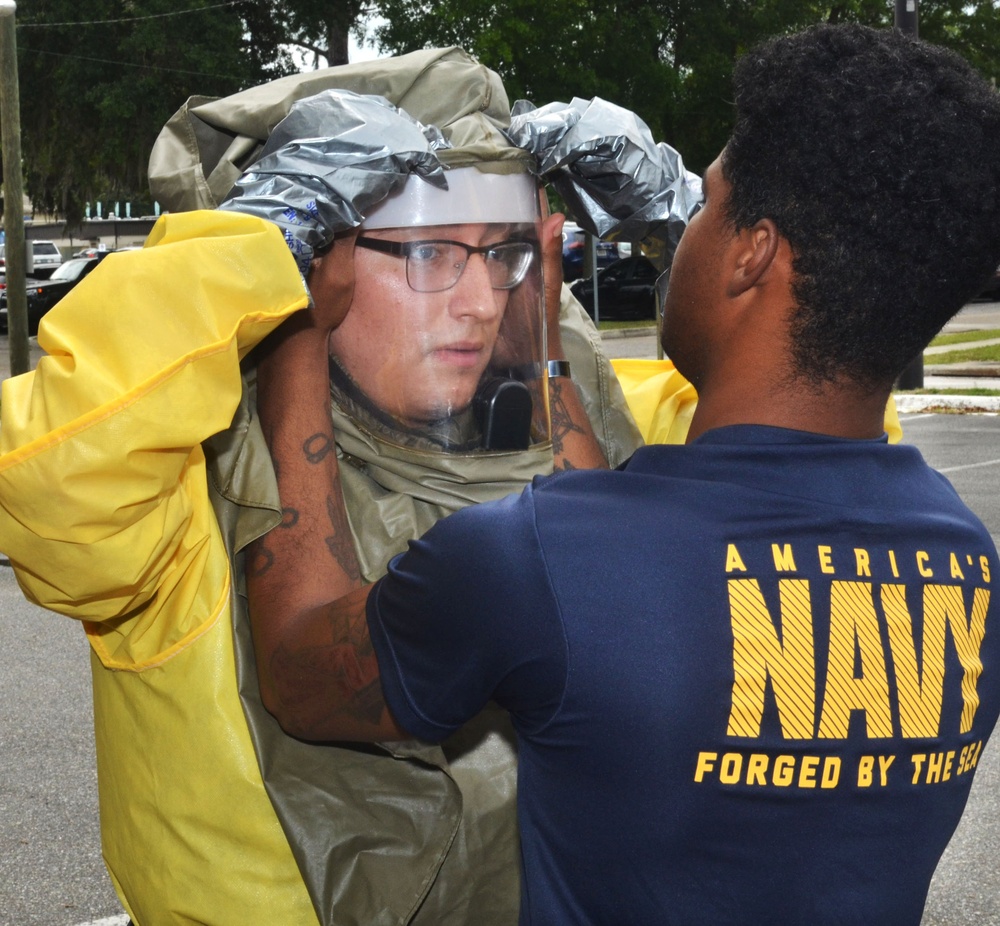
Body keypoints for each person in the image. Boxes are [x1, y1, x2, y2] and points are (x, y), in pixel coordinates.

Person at [246, 24, 1000, 925]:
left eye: (706, 205)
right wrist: (542, 345)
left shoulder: (534, 561)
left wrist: (296, 327)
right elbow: (627, 561)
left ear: (753, 252)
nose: (679, 231)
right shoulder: (964, 562)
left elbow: (299, 664)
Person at [0, 49, 704, 925]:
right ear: (313, 258)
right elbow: (47, 482)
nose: (482, 302)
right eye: (433, 251)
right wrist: (247, 253)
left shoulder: (597, 414)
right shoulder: (184, 473)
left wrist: (697, 232)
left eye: (503, 255)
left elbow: (806, 435)